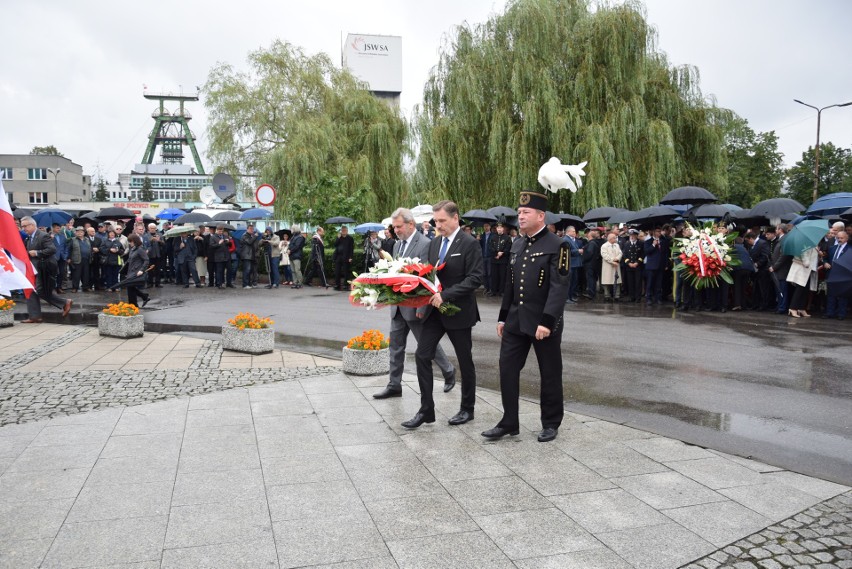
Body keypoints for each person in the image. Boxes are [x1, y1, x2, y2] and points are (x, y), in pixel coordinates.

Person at [482, 189, 571, 442]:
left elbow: (559, 286)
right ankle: (509, 420)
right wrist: (502, 317)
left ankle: (551, 422)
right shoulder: (518, 243)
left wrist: (547, 322)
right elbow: (511, 284)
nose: (520, 217)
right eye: (519, 212)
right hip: (515, 320)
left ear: (541, 216)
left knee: (550, 373)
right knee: (507, 369)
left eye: (526, 212)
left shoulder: (558, 245)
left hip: (543, 323)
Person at [402, 200, 483, 430]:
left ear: (455, 218)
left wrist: (446, 295)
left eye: (442, 221)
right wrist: (420, 298)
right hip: (434, 312)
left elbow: (475, 278)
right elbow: (430, 274)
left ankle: (467, 408)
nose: (438, 225)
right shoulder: (435, 243)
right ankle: (426, 410)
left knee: (465, 361)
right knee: (422, 355)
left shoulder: (469, 243)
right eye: (436, 221)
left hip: (458, 311)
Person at [374, 208, 456, 399]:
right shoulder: (396, 245)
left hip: (416, 306)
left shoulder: (426, 244)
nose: (396, 230)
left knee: (427, 345)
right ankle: (394, 385)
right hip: (398, 306)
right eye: (394, 227)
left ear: (411, 224)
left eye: (399, 226)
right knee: (395, 346)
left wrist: (422, 306)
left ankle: (448, 371)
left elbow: (429, 277)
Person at [20, 216, 73, 323]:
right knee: (31, 289)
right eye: (22, 226)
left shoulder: (43, 236)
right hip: (33, 267)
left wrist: (37, 253)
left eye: (25, 226)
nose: (23, 228)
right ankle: (35, 316)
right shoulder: (29, 237)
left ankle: (64, 302)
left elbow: (52, 249)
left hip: (45, 267)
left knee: (40, 290)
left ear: (32, 225)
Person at [785, 245, 818, 318]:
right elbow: (803, 252)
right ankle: (792, 308)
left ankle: (801, 308)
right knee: (799, 289)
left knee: (805, 290)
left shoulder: (813, 243)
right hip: (803, 268)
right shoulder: (806, 242)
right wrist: (806, 262)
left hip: (810, 269)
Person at [823, 231, 848, 320]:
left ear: (846, 238)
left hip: (843, 275)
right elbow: (825, 258)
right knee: (830, 294)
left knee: (842, 295)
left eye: (842, 238)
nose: (840, 240)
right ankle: (830, 313)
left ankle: (841, 314)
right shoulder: (832, 248)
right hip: (831, 274)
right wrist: (825, 263)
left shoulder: (850, 250)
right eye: (838, 238)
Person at [124, 234, 151, 308]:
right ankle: (142, 298)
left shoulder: (140, 249)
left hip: (137, 271)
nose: (129, 243)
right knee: (130, 287)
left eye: (130, 241)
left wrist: (142, 270)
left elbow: (146, 260)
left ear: (135, 241)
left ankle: (133, 304)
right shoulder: (132, 249)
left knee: (130, 287)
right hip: (131, 271)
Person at [643, 227, 667, 305]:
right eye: (657, 231)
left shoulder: (663, 241)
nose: (659, 233)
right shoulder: (648, 241)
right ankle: (649, 298)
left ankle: (658, 298)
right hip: (651, 266)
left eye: (660, 231)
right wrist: (653, 245)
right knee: (650, 283)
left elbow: (665, 253)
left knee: (659, 283)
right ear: (654, 232)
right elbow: (647, 252)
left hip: (660, 265)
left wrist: (666, 264)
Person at [488, 222, 511, 296]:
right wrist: (496, 253)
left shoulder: (507, 237)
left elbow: (508, 247)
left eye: (501, 228)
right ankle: (493, 291)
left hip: (503, 260)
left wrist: (502, 253)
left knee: (502, 276)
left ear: (503, 229)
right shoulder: (492, 237)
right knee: (494, 276)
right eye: (498, 228)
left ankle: (501, 291)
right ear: (496, 229)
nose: (499, 229)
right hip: (494, 259)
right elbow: (490, 247)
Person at [622, 229, 644, 302]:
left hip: (638, 266)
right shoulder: (626, 244)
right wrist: (629, 263)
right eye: (631, 235)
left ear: (636, 236)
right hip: (629, 266)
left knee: (638, 282)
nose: (632, 237)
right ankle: (632, 296)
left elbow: (642, 254)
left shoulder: (640, 243)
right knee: (630, 282)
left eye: (633, 235)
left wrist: (637, 262)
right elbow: (624, 255)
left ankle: (638, 297)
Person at [600, 232, 622, 302]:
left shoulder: (617, 245)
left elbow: (620, 253)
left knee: (617, 280)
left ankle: (617, 295)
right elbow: (605, 255)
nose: (616, 239)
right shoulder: (604, 246)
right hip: (608, 266)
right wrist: (612, 261)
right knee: (607, 281)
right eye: (614, 238)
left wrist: (617, 259)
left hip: (616, 266)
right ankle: (607, 295)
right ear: (610, 239)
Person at [563, 226, 583, 303]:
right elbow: (567, 252)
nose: (575, 233)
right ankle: (567, 298)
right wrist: (578, 251)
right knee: (569, 282)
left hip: (574, 264)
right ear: (568, 232)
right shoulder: (565, 239)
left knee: (574, 282)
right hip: (570, 264)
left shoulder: (571, 240)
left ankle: (571, 297)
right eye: (573, 231)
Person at [332, 226, 355, 290]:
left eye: (345, 230)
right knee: (337, 271)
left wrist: (351, 257)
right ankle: (337, 285)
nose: (343, 232)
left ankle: (345, 285)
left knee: (346, 272)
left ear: (347, 231)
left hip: (346, 256)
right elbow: (335, 245)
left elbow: (351, 248)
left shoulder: (350, 238)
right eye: (342, 230)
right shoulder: (339, 238)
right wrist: (338, 238)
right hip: (338, 256)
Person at [68, 226, 90, 293]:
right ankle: (75, 287)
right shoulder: (73, 240)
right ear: (76, 233)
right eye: (78, 231)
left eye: (81, 231)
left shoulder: (87, 239)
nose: (79, 233)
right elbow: (69, 249)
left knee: (86, 274)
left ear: (84, 232)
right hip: (76, 259)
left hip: (86, 259)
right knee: (76, 274)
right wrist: (68, 258)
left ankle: (85, 287)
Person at [51, 223, 70, 293]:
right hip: (53, 257)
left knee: (61, 273)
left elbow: (66, 246)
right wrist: (51, 239)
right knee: (53, 273)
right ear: (53, 228)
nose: (59, 229)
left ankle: (59, 287)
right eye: (57, 228)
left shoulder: (63, 236)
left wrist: (65, 255)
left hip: (62, 257)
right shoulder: (49, 236)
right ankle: (53, 288)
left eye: (59, 228)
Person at [240, 224, 260, 289]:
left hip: (251, 255)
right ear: (247, 229)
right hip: (246, 255)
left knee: (250, 270)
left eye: (252, 229)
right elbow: (249, 242)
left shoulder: (251, 236)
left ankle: (248, 284)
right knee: (247, 270)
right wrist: (254, 236)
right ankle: (245, 284)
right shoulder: (245, 235)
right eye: (250, 229)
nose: (252, 230)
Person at [144, 223, 163, 288]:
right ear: (148, 229)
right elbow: (145, 245)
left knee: (158, 269)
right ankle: (150, 283)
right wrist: (151, 240)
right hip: (150, 255)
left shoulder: (159, 234)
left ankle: (158, 283)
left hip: (158, 254)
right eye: (151, 228)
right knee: (150, 270)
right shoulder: (146, 236)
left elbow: (163, 244)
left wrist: (159, 241)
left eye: (154, 228)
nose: (153, 229)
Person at [86, 226, 104, 291]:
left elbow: (102, 247)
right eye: (91, 231)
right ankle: (89, 286)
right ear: (88, 232)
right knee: (89, 273)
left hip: (97, 258)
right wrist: (92, 249)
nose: (93, 232)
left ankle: (97, 286)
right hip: (89, 258)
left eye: (94, 231)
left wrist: (98, 249)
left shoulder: (98, 239)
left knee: (97, 273)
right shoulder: (86, 239)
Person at [480, 222, 493, 294]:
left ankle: (491, 288)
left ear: (490, 227)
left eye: (487, 226)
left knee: (490, 273)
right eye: (484, 226)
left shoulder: (493, 235)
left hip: (490, 257)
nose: (486, 228)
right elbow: (479, 246)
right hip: (483, 256)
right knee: (484, 273)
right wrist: (478, 240)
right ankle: (486, 288)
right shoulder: (482, 236)